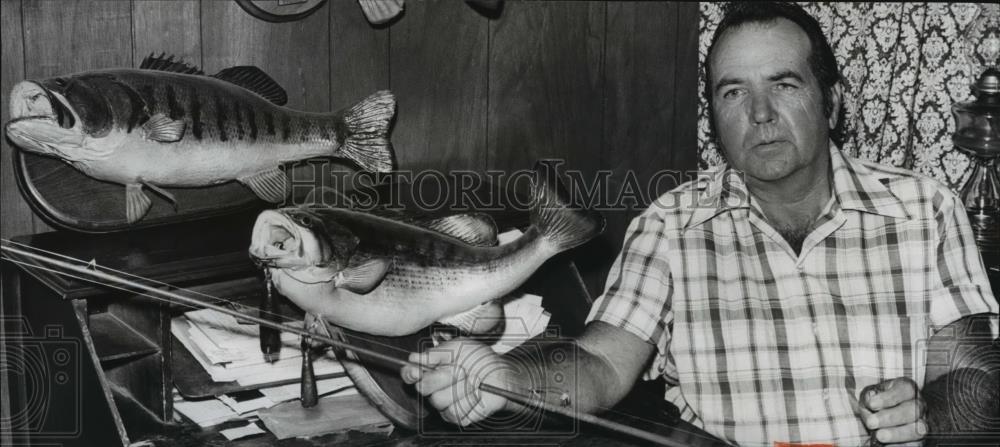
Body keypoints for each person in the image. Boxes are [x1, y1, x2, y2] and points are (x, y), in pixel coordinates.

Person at [401, 2, 1000, 446]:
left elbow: (970, 376)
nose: (760, 114)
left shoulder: (925, 207)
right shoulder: (670, 224)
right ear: (713, 118)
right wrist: (508, 378)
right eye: (733, 92)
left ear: (833, 101)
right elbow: (601, 363)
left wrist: (926, 413)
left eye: (784, 84)